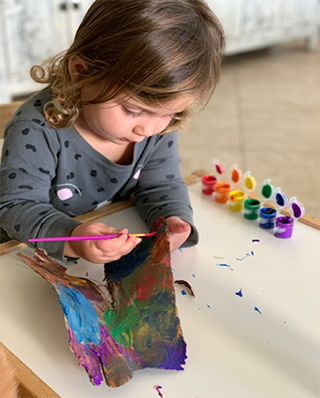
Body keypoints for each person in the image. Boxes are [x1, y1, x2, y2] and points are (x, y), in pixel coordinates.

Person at [0, 0, 224, 264]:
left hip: (103, 248)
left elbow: (161, 184)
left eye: (167, 113)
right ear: (80, 72)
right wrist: (74, 237)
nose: (148, 129)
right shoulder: (35, 129)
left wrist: (173, 219)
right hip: (24, 253)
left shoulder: (156, 127)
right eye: (132, 110)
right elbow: (16, 207)